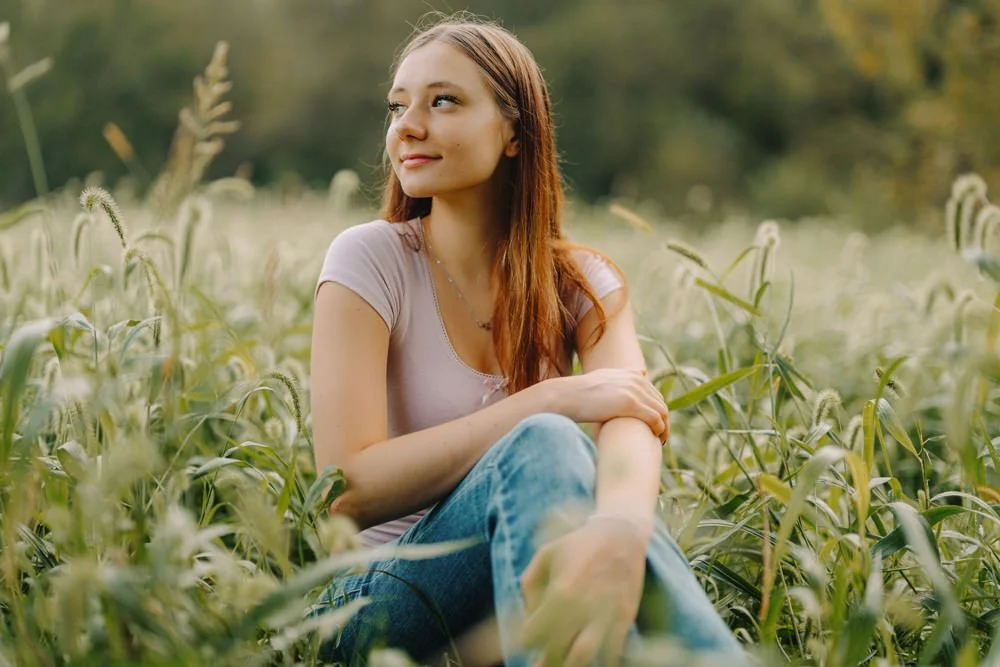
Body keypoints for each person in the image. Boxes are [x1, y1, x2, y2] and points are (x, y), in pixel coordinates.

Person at [309, 15, 748, 667]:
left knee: (618, 521)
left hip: (526, 574)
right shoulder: (369, 260)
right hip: (377, 602)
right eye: (398, 106)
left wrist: (623, 533)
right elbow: (346, 488)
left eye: (443, 101)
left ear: (513, 131)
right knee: (546, 439)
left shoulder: (580, 283)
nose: (407, 125)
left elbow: (631, 417)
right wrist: (549, 400)